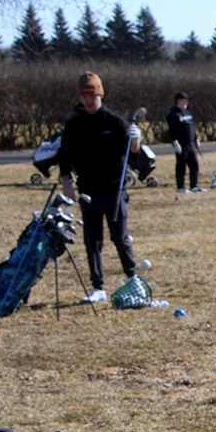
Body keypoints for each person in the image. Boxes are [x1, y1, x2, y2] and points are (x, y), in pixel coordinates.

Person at [56, 72, 140, 304]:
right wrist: (66, 182)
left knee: (119, 236)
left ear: (100, 94)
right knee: (92, 239)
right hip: (87, 190)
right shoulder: (74, 124)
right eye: (84, 95)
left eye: (92, 95)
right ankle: (97, 287)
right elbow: (64, 155)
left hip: (114, 190)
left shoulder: (115, 122)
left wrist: (136, 140)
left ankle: (132, 278)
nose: (88, 100)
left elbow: (134, 153)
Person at [166, 92, 203, 193]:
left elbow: (192, 127)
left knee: (194, 164)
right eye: (184, 100)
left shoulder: (188, 113)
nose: (187, 102)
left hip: (190, 143)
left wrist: (196, 139)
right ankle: (181, 187)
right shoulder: (173, 114)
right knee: (181, 165)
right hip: (181, 144)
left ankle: (194, 185)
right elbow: (171, 130)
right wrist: (174, 142)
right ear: (179, 101)